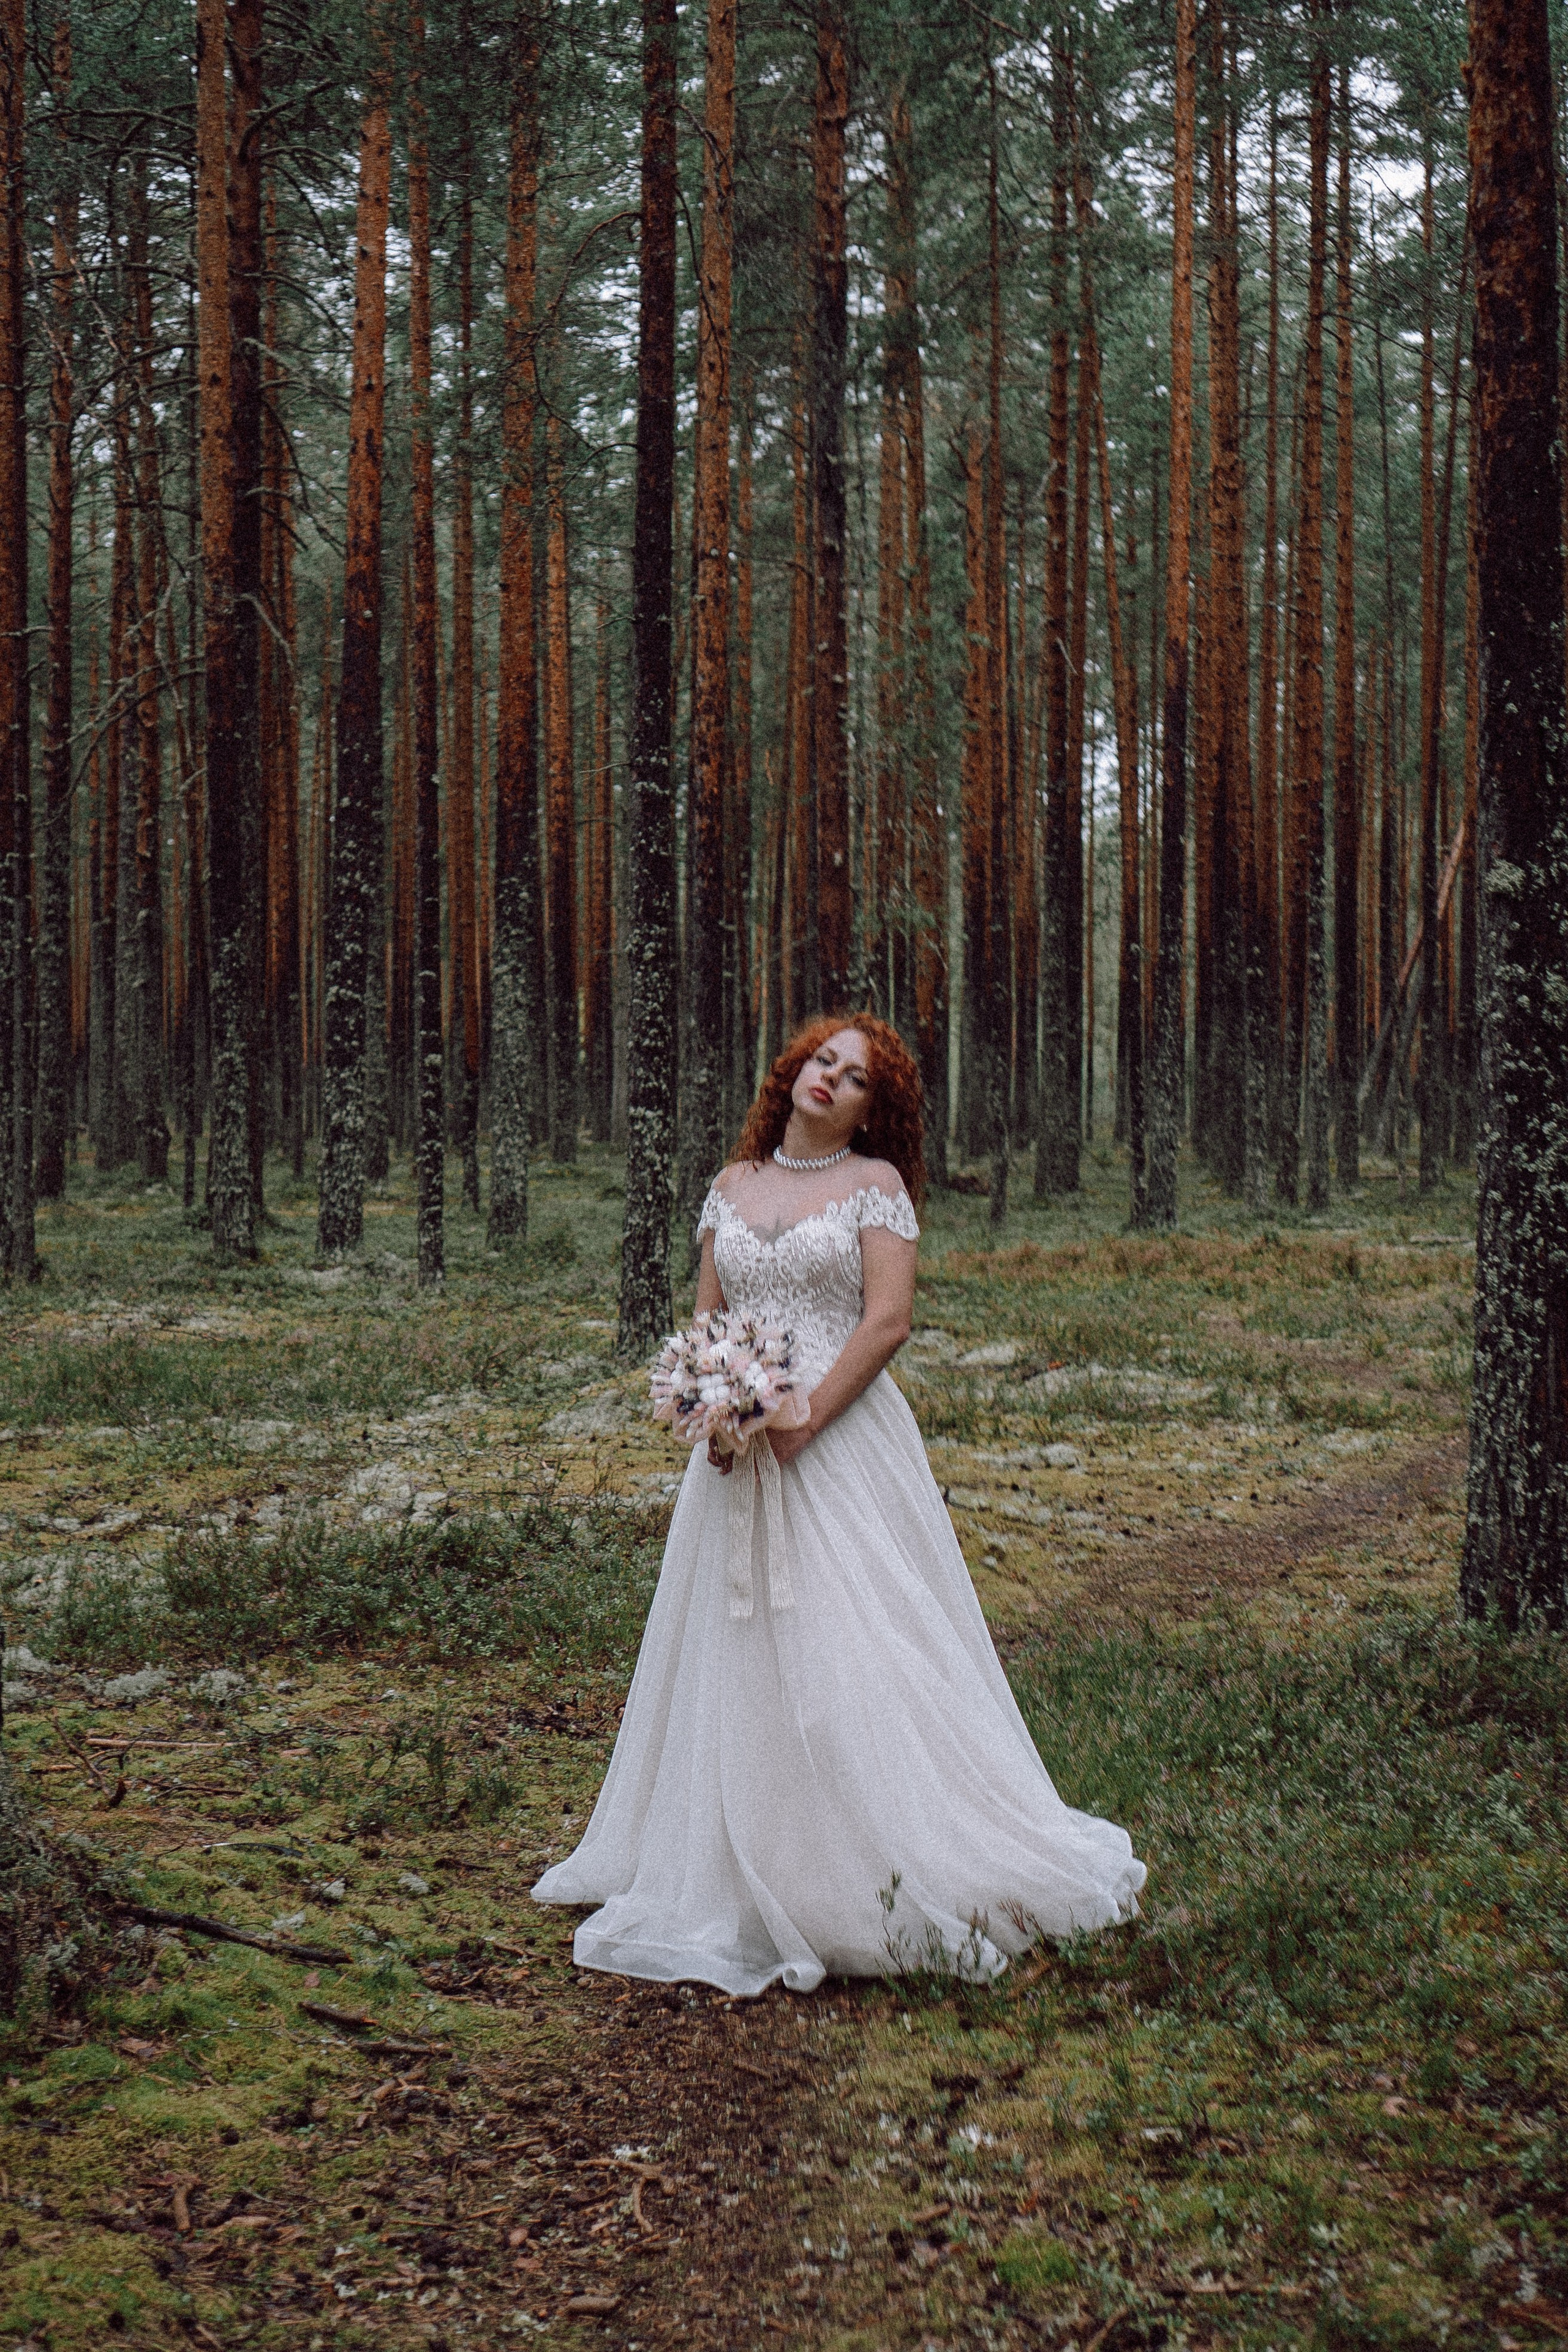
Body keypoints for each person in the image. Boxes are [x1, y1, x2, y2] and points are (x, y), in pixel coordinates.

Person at [532, 1014, 1145, 1995]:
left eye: (855, 1077)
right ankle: (736, 1857)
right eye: (823, 1061)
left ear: (874, 1106)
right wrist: (713, 1408)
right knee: (734, 1645)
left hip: (843, 1438)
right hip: (739, 1449)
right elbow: (707, 1314)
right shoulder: (732, 1186)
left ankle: (875, 1854)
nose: (830, 1079)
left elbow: (888, 1318)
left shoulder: (876, 1188)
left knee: (855, 1639)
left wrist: (806, 1414)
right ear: (793, 1073)